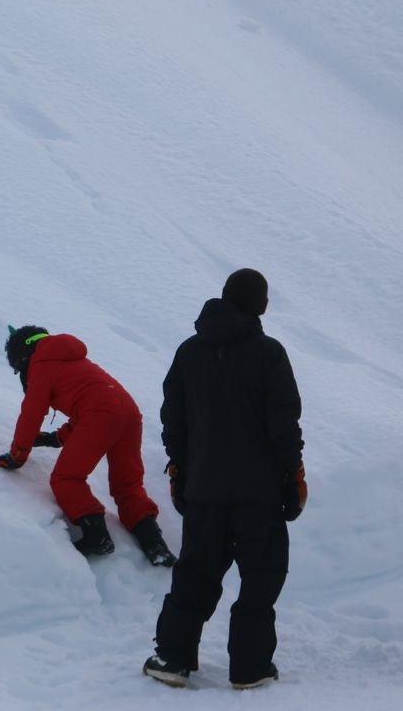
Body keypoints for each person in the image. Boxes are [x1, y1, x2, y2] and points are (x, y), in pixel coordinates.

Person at [144, 268, 306, 691]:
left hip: (204, 490)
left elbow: (173, 420)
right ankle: (250, 668)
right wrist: (293, 476)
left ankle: (171, 658)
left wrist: (179, 469)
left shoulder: (189, 352)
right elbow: (283, 423)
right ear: (260, 305)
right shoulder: (268, 353)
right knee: (261, 576)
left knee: (196, 572)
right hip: (260, 494)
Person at [0, 325, 176, 566]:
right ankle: (155, 545)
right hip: (129, 414)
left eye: (18, 366)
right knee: (127, 484)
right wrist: (55, 438)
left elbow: (32, 413)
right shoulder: (71, 359)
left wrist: (18, 455)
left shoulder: (41, 364)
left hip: (102, 414)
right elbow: (92, 403)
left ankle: (96, 536)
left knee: (66, 478)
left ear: (24, 355)